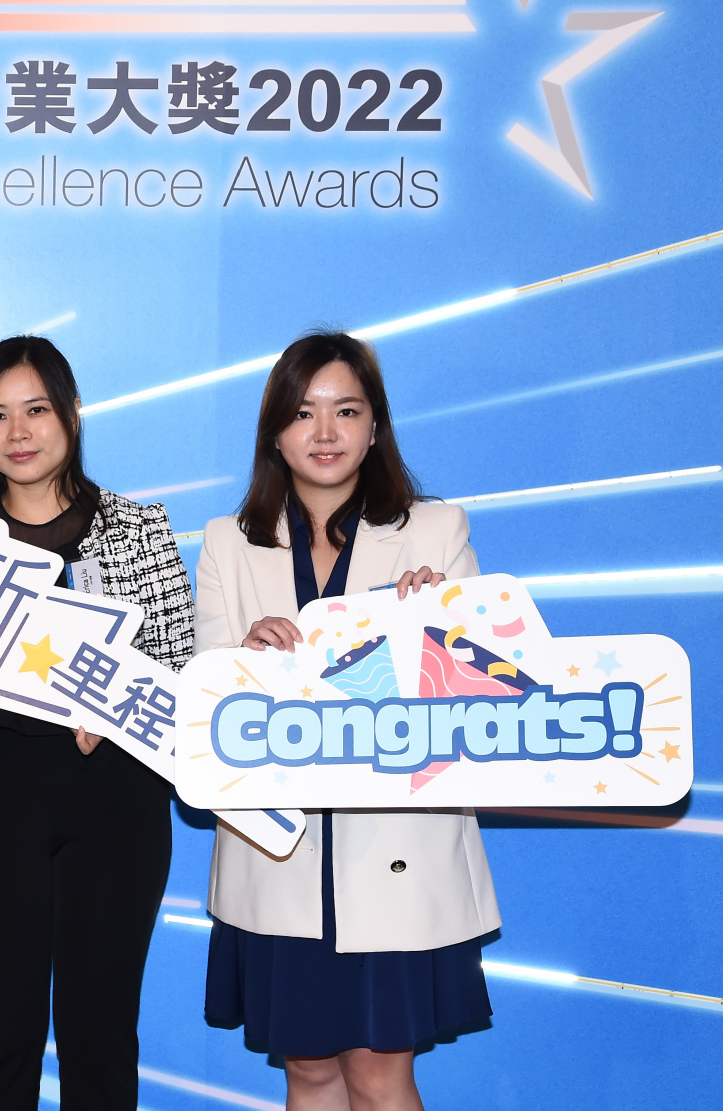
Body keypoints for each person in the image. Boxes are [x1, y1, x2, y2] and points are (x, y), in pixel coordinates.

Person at [194, 331, 501, 1111]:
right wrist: (246, 660)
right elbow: (202, 701)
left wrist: (442, 624)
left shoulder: (436, 531)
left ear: (375, 427)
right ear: (275, 431)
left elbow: (485, 701)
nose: (325, 432)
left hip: (397, 854)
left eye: (347, 411)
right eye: (303, 413)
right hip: (277, 853)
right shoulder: (228, 542)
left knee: (379, 1073)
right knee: (308, 1072)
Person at [0, 335, 195, 1111]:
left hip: (115, 796)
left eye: (35, 409)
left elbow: (180, 669)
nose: (18, 432)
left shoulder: (138, 530)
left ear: (71, 413)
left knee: (101, 1033)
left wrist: (119, 712)